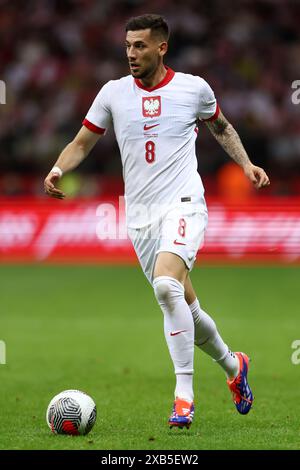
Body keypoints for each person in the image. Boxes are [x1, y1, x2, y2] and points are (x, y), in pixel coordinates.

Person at [44, 14, 270, 429]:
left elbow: (220, 126)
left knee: (166, 286)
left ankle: (184, 397)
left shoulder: (192, 88)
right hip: (142, 217)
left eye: (140, 46)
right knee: (182, 302)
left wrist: (246, 163)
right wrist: (58, 169)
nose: (131, 53)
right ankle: (234, 365)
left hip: (184, 203)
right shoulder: (112, 94)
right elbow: (81, 142)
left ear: (161, 47)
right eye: (128, 45)